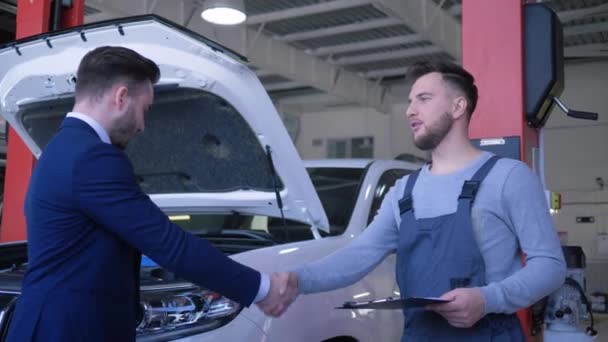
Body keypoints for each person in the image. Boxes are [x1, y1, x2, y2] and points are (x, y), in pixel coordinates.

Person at [6, 46, 293, 342]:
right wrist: (262, 288)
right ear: (120, 97)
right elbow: (168, 244)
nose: (143, 126)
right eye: (145, 110)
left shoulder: (63, 148)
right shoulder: (92, 157)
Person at [278, 60, 567, 341]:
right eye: (410, 101)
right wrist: (297, 279)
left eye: (423, 99)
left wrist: (488, 299)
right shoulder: (404, 191)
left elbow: (550, 265)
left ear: (458, 106)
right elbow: (359, 254)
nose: (409, 111)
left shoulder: (509, 177)